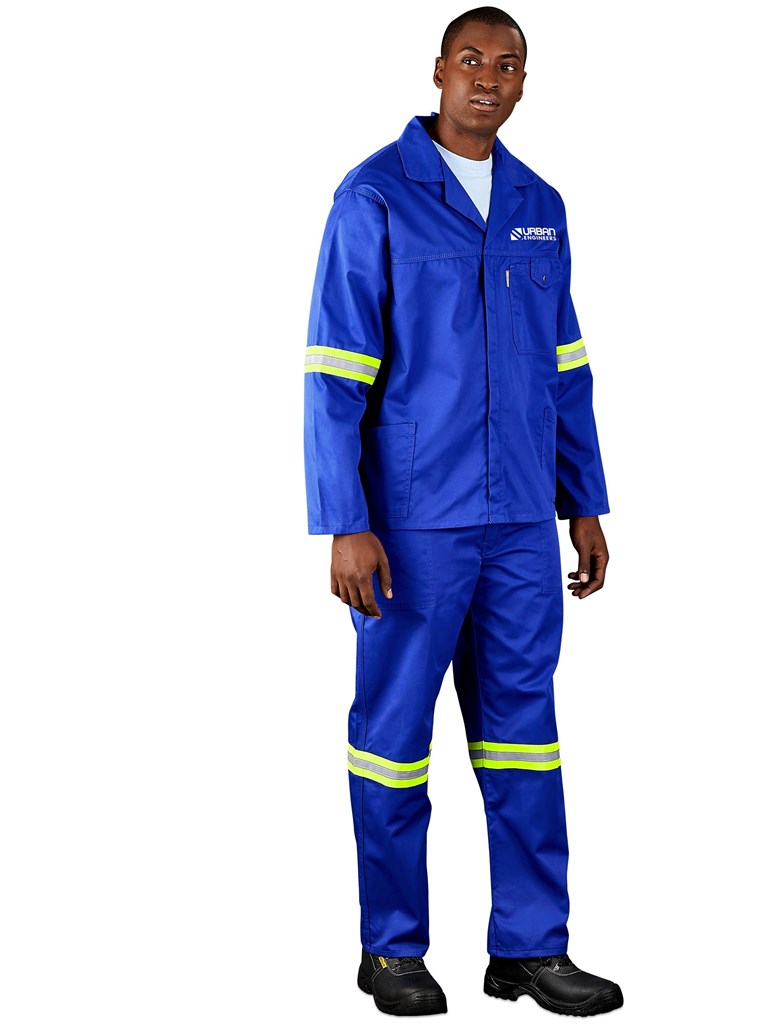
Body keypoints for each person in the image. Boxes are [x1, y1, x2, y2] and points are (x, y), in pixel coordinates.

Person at [303, 7, 622, 1017]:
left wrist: (584, 500)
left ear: (525, 82)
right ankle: (391, 949)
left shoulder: (538, 205)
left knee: (525, 735)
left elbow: (565, 366)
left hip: (522, 520)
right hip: (411, 524)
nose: (488, 77)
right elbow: (332, 373)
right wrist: (344, 520)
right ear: (438, 71)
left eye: (508, 64)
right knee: (394, 741)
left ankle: (529, 948)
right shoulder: (375, 196)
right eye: (471, 60)